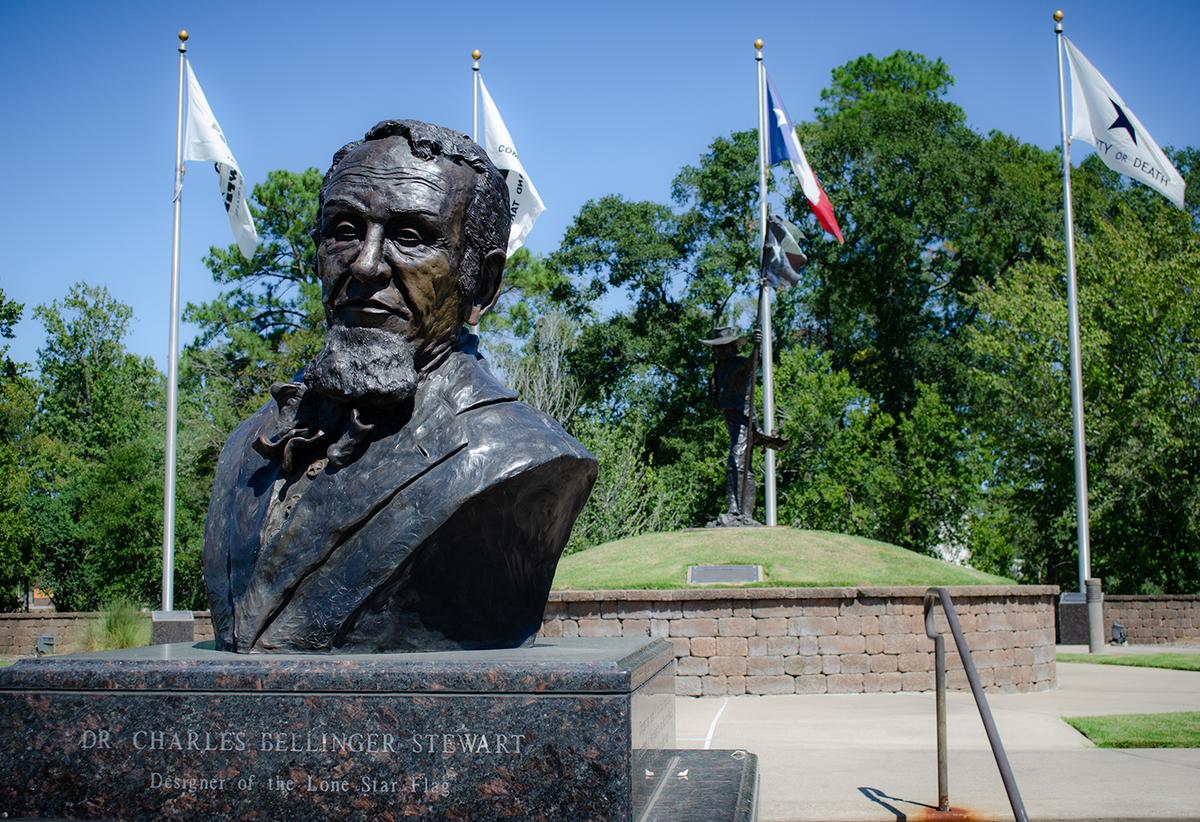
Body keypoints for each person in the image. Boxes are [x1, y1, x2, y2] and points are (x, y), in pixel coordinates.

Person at [203, 120, 597, 654]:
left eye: (410, 238)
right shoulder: (245, 451)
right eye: (344, 229)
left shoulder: (521, 455)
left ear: (480, 282)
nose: (365, 264)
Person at [702, 327, 760, 527]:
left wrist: (756, 346)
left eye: (721, 348)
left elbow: (752, 365)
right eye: (716, 349)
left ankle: (741, 513)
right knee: (739, 464)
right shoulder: (720, 368)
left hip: (744, 420)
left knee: (737, 461)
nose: (717, 352)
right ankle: (737, 511)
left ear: (730, 348)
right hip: (732, 421)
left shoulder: (737, 364)